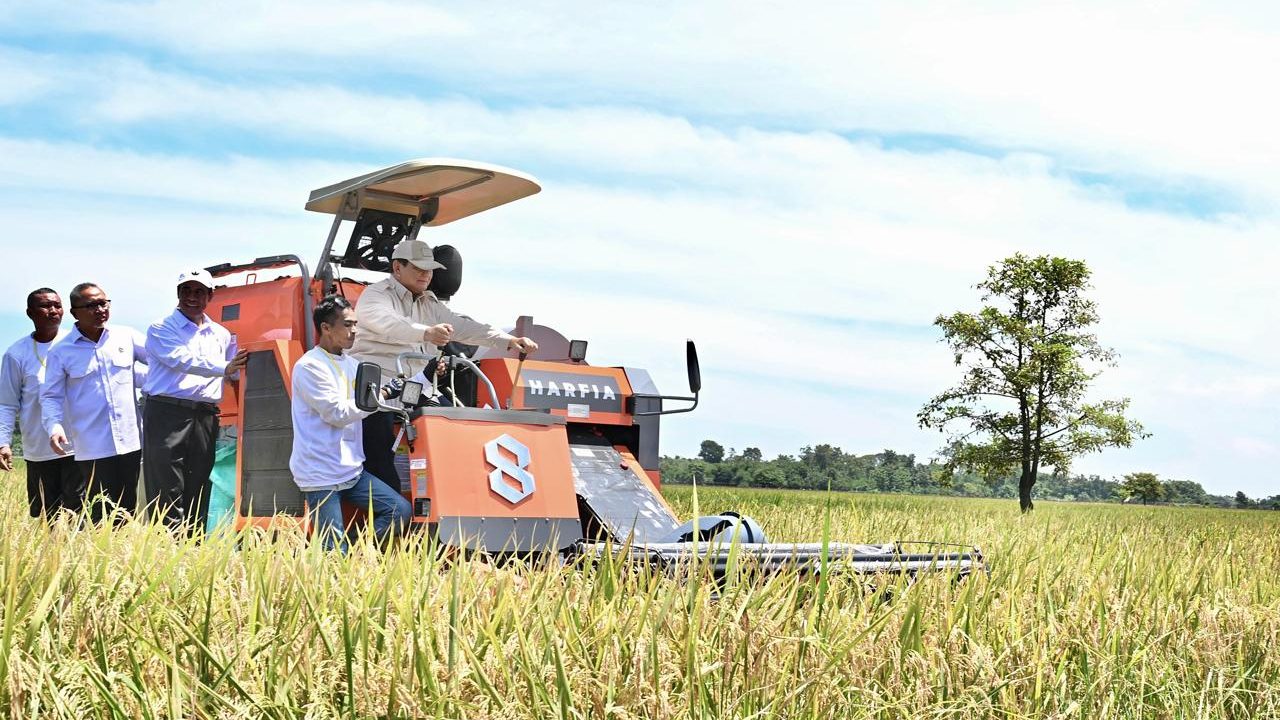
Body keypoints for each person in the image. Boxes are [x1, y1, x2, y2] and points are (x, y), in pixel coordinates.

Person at [352, 239, 539, 491]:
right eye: (419, 268)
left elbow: (464, 328)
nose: (426, 274)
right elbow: (389, 323)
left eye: (429, 269)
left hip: (417, 387)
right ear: (397, 268)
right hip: (379, 388)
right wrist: (426, 333)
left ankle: (456, 498)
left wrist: (510, 340)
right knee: (380, 454)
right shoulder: (374, 296)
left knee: (457, 430)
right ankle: (391, 514)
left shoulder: (430, 304)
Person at [290, 295, 411, 552]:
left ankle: (355, 551)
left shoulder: (354, 365)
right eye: (347, 324)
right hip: (320, 473)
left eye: (356, 324)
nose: (354, 330)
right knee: (332, 551)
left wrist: (426, 374)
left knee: (399, 510)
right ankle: (341, 560)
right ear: (325, 327)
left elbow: (375, 401)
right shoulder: (309, 366)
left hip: (351, 471)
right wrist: (383, 395)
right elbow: (337, 413)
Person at [142, 269, 249, 533]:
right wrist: (225, 368)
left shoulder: (221, 334)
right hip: (167, 412)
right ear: (178, 294)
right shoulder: (160, 328)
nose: (192, 297)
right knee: (167, 482)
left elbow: (233, 370)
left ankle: (192, 545)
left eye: (199, 291)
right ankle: (166, 546)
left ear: (210, 296)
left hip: (206, 414)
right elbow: (180, 359)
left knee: (199, 480)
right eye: (186, 291)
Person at [41, 283, 149, 523]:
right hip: (93, 446)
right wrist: (54, 427)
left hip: (131, 442)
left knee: (130, 508)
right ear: (74, 312)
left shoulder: (126, 336)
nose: (100, 309)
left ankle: (127, 556)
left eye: (103, 303)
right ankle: (101, 557)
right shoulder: (61, 352)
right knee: (101, 511)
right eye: (91, 305)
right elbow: (51, 396)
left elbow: (161, 361)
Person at [0, 288, 79, 520]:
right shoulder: (16, 354)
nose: (53, 311)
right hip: (40, 449)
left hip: (80, 445)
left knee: (79, 514)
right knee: (47, 515)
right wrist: (3, 442)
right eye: (46, 306)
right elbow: (6, 403)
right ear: (30, 313)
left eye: (57, 305)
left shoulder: (76, 342)